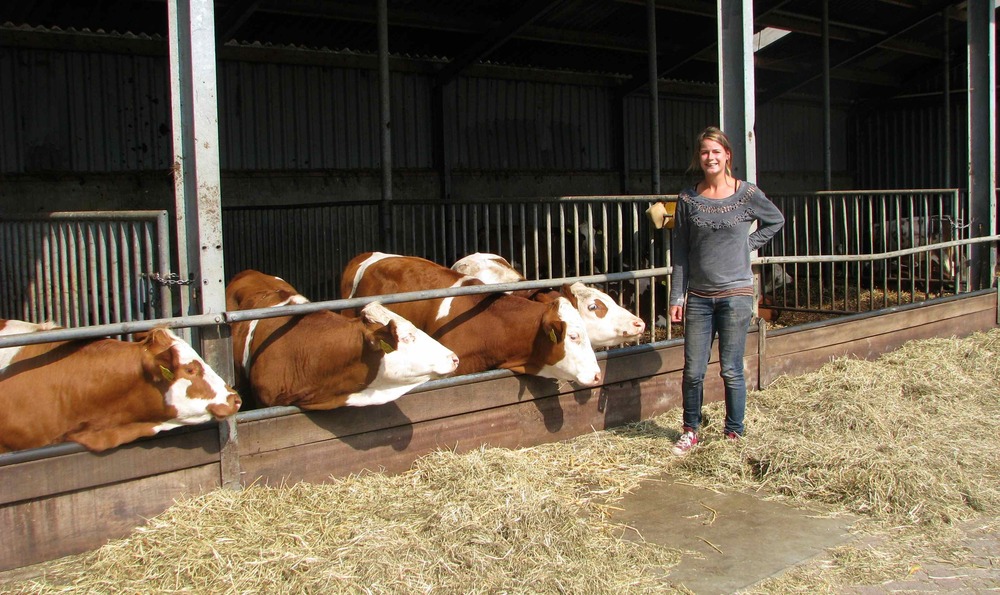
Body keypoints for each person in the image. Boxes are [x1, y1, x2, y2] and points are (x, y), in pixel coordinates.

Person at [667, 126, 784, 456]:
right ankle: (691, 430)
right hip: (700, 298)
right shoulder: (688, 199)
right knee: (693, 370)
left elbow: (775, 220)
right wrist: (678, 296)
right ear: (698, 158)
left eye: (716, 152)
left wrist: (748, 244)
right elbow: (681, 252)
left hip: (736, 294)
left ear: (727, 156)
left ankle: (734, 433)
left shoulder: (747, 194)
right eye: (704, 152)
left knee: (731, 369)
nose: (710, 157)